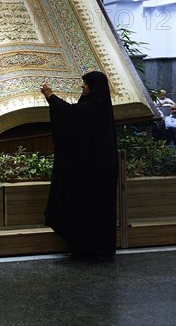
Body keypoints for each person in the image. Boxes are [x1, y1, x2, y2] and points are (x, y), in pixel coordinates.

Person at [40, 71, 118, 260]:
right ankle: (90, 247)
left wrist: (50, 96)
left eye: (85, 84)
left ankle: (92, 248)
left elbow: (70, 114)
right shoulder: (98, 105)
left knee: (90, 212)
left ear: (93, 87)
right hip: (96, 170)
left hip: (93, 173)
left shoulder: (94, 106)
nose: (83, 87)